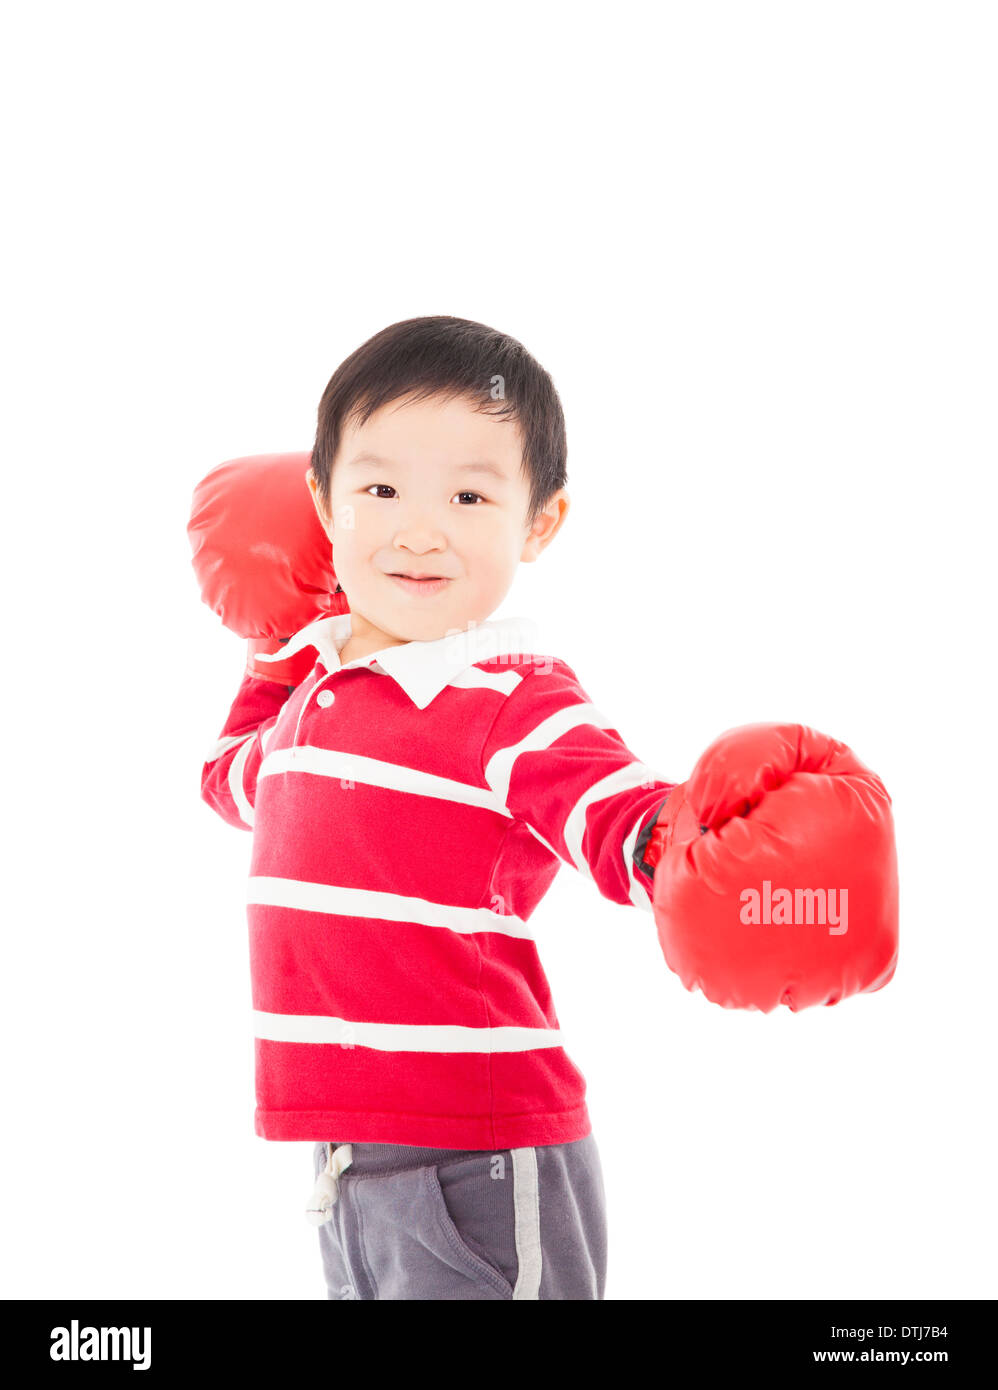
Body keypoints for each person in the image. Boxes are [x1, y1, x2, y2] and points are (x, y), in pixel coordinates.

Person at [196, 316, 897, 1300]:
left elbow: (612, 815)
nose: (418, 527)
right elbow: (229, 778)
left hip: (478, 1157)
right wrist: (275, 634)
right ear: (322, 501)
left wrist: (695, 848)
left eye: (469, 495)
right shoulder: (312, 692)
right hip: (340, 1157)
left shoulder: (505, 693)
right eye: (379, 487)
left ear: (538, 521)